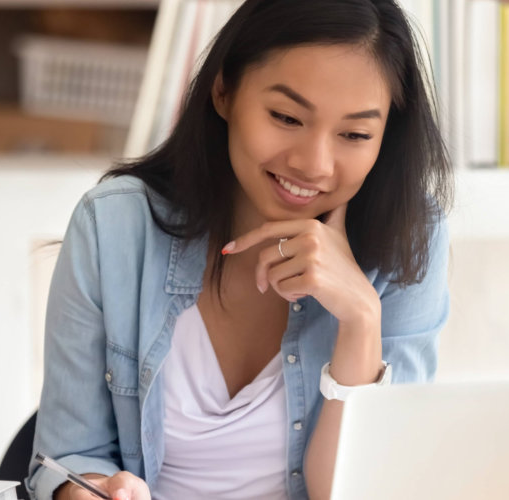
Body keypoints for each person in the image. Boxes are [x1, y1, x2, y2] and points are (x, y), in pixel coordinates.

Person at [28, 0, 451, 497]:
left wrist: (360, 318)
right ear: (224, 91)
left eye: (355, 134)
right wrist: (91, 490)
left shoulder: (407, 238)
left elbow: (367, 489)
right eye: (287, 117)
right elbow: (67, 457)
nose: (314, 164)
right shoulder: (115, 225)